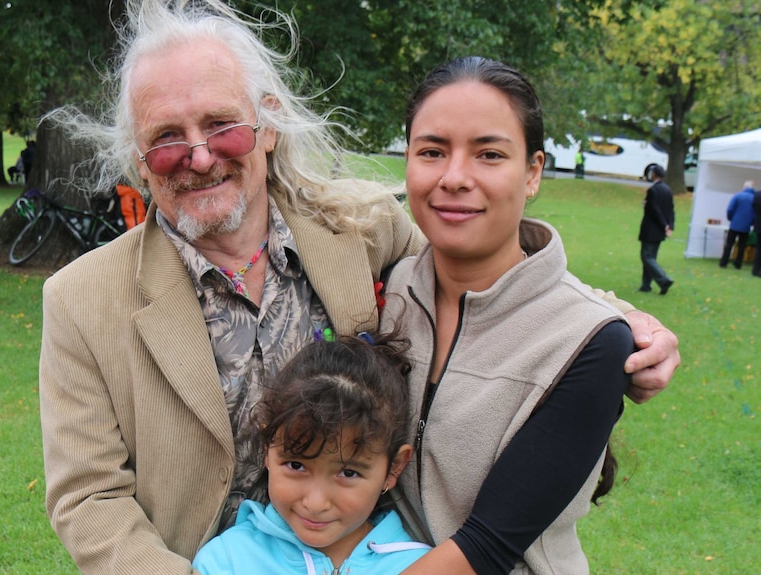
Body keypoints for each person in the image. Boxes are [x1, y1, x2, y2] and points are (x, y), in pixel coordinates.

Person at [38, 2, 679, 573]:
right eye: (166, 139)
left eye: (221, 125)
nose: (200, 156)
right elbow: (87, 497)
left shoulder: (360, 226)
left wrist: (619, 318)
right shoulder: (82, 298)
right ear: (137, 158)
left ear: (267, 124)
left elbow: (486, 270)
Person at [381, 55, 633, 575]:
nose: (453, 178)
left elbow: (487, 546)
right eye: (431, 151)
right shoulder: (390, 289)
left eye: (489, 154)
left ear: (533, 172)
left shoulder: (591, 342)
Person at [192, 333, 431, 574]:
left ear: (394, 468)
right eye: (296, 466)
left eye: (348, 473)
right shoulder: (227, 561)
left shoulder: (423, 567)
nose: (315, 504)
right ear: (267, 446)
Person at [638, 164, 675, 294]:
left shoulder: (653, 190)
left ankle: (663, 279)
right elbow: (670, 210)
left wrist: (664, 224)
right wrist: (669, 225)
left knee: (646, 256)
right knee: (651, 257)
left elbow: (654, 210)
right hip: (660, 230)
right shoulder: (667, 190)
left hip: (651, 229)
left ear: (654, 174)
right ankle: (646, 285)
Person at [718, 180, 756, 270]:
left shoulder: (738, 195)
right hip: (746, 226)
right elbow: (755, 213)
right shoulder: (754, 198)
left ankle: (724, 262)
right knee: (742, 246)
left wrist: (731, 218)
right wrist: (751, 222)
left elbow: (730, 209)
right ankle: (738, 263)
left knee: (729, 244)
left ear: (745, 187)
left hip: (735, 224)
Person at [753, 186, 761, 278]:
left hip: (759, 224)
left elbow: (754, 207)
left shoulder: (757, 194)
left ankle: (755, 269)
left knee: (758, 248)